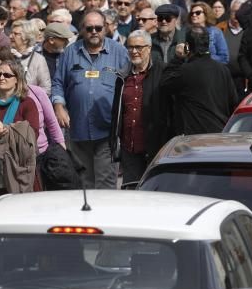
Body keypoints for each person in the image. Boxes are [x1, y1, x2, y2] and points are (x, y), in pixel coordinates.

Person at [51, 11, 129, 189]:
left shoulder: (119, 52)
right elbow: (58, 83)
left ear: (106, 29)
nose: (94, 31)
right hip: (78, 129)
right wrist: (58, 105)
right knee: (83, 184)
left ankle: (105, 217)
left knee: (105, 184)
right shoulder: (70, 52)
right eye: (89, 28)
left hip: (107, 131)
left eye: (98, 28)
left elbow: (130, 84)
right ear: (82, 30)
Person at [161, 28, 239, 136]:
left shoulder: (185, 71)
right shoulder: (223, 70)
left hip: (195, 136)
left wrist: (177, 59)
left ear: (187, 47)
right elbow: (233, 101)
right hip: (220, 133)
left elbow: (165, 83)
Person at [115, 30, 168, 184]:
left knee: (156, 193)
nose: (134, 51)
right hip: (129, 149)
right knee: (132, 195)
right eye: (130, 47)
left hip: (155, 149)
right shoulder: (122, 76)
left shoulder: (162, 71)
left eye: (139, 47)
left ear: (149, 48)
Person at [0, 58, 40, 194]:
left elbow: (32, 134)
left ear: (17, 79)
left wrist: (7, 131)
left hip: (18, 169)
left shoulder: (27, 103)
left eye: (7, 75)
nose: (1, 78)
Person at [10, 20, 52, 93]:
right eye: (11, 33)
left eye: (16, 34)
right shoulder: (6, 55)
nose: (10, 36)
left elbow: (46, 89)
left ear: (26, 39)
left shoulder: (38, 60)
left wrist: (30, 100)